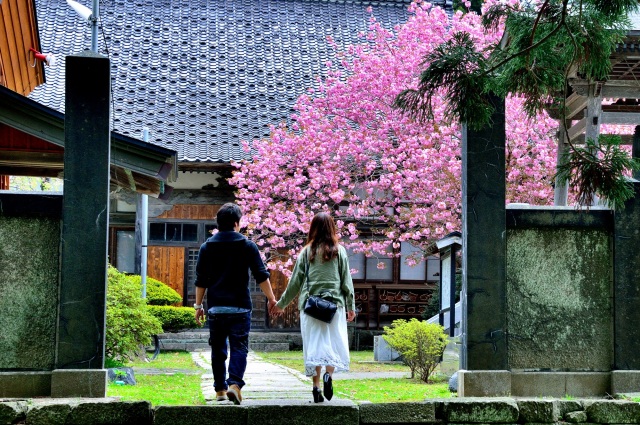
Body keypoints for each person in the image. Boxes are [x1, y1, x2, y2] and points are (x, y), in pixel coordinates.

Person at [194, 203, 277, 405]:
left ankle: (220, 390)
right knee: (239, 347)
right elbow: (261, 275)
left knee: (218, 350)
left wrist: (198, 306)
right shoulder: (247, 245)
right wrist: (272, 298)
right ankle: (235, 385)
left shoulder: (207, 247)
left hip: (216, 308)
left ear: (219, 224)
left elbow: (201, 279)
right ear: (236, 223)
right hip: (240, 307)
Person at [271, 212, 356, 403]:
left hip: (311, 308)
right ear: (332, 228)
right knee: (333, 344)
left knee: (314, 346)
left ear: (313, 228)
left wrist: (281, 304)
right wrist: (351, 306)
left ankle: (316, 387)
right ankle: (329, 376)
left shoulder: (307, 252)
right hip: (335, 307)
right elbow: (346, 282)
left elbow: (295, 283)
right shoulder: (339, 251)